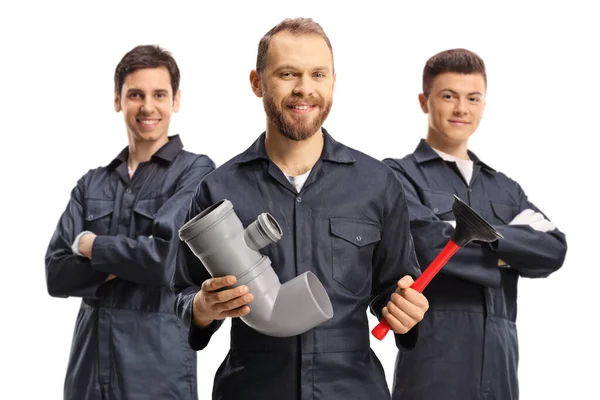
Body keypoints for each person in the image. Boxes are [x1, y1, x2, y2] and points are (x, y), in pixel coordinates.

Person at [171, 18, 429, 400]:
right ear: (257, 82)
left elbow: (394, 285)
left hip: (352, 390)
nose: (304, 89)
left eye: (318, 74)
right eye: (288, 73)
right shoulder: (219, 189)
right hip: (252, 389)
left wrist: (405, 311)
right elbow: (182, 290)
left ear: (333, 82)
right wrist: (201, 307)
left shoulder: (378, 184)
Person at [383, 48, 567, 400]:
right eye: (448, 96)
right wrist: (511, 251)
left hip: (500, 367)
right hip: (433, 365)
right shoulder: (396, 175)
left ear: (484, 105)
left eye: (473, 98)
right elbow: (427, 245)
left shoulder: (505, 187)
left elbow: (553, 248)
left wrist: (474, 238)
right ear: (425, 101)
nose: (461, 109)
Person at [45, 45, 215, 400]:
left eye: (159, 95)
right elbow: (56, 274)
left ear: (176, 100)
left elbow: (163, 262)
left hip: (156, 374)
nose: (147, 107)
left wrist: (91, 246)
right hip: (88, 373)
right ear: (118, 100)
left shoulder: (195, 173)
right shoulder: (92, 183)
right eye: (135, 94)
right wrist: (130, 257)